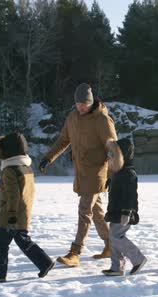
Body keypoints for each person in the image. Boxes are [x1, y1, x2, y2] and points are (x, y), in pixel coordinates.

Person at [39, 83, 118, 267]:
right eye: (77, 103)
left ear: (90, 103)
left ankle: (75, 252)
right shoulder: (73, 116)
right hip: (81, 172)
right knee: (97, 213)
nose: (80, 107)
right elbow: (63, 140)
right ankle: (111, 245)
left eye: (84, 104)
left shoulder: (102, 120)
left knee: (85, 211)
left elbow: (113, 149)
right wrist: (48, 158)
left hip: (97, 173)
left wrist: (113, 174)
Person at [0, 133, 54, 283]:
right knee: (22, 240)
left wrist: (12, 214)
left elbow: (13, 194)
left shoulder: (9, 170)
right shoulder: (25, 167)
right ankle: (45, 262)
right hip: (23, 212)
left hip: (11, 215)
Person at [101, 139, 147, 276]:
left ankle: (138, 259)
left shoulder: (128, 173)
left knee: (116, 236)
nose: (111, 157)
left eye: (113, 154)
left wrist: (127, 212)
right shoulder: (118, 172)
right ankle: (117, 267)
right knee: (113, 236)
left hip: (124, 212)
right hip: (116, 210)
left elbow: (130, 195)